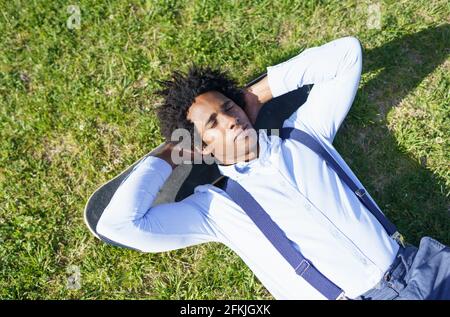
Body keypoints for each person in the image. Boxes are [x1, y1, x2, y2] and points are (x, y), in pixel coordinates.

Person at [96, 36, 450, 300]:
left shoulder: (305, 133)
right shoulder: (216, 209)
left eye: (230, 108)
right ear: (201, 146)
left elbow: (346, 55)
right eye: (213, 124)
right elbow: (120, 225)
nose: (231, 121)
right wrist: (172, 152)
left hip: (421, 268)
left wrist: (257, 94)